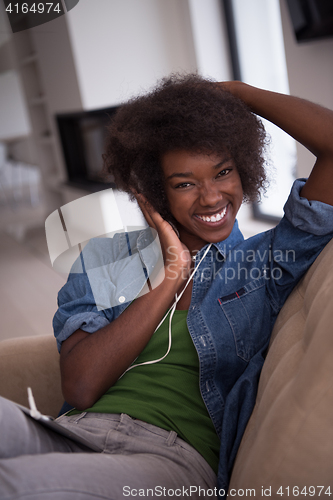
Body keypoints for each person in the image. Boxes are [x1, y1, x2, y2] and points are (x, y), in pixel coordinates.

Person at [1, 74, 333, 499]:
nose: (212, 197)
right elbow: (82, 386)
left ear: (243, 169)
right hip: (72, 434)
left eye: (223, 172)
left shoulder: (261, 264)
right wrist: (170, 277)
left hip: (169, 460)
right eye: (185, 183)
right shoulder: (106, 258)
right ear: (155, 192)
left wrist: (235, 94)